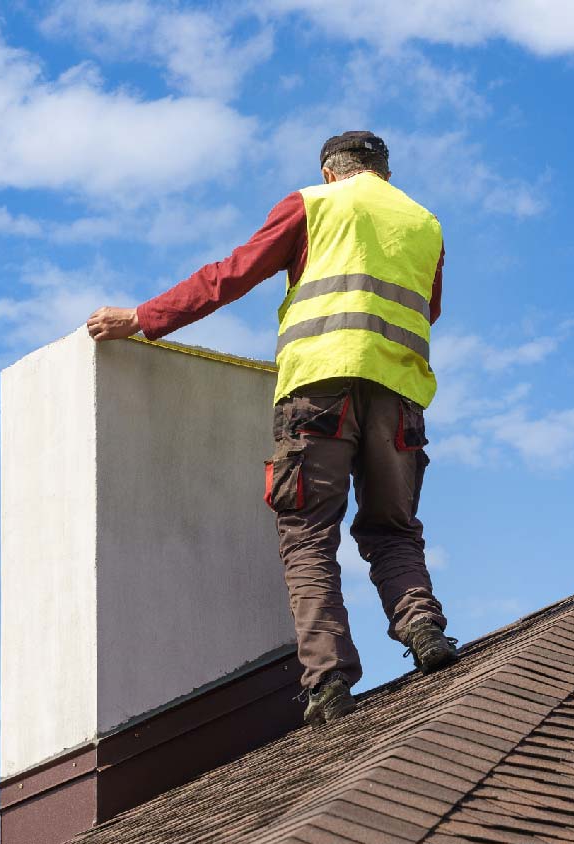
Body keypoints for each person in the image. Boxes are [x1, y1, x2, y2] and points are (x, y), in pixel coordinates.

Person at [86, 131, 456, 725]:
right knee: (393, 528)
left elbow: (232, 274)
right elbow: (427, 309)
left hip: (318, 390)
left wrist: (143, 318)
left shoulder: (312, 204)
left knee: (308, 532)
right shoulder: (425, 224)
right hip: (400, 397)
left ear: (331, 172)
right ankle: (424, 630)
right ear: (383, 173)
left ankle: (329, 679)